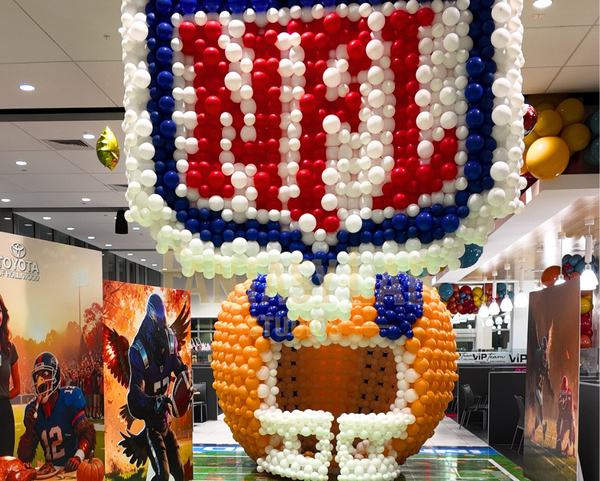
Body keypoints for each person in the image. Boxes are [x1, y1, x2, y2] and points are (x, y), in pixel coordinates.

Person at [120, 294, 189, 481]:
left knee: (179, 474)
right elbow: (134, 398)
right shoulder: (139, 350)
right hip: (152, 428)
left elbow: (178, 366)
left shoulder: (169, 339)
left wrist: (186, 380)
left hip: (166, 424)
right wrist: (154, 403)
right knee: (162, 475)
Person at [17, 352, 97, 472]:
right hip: (50, 472)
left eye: (45, 374)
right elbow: (24, 458)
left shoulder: (69, 399)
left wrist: (78, 458)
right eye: (37, 376)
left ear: (56, 376)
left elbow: (87, 433)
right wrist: (28, 430)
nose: (40, 381)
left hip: (73, 470)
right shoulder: (32, 409)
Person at [0, 294, 20, 457]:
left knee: (6, 464)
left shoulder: (9, 348)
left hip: (5, 414)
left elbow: (18, 388)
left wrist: (4, 398)